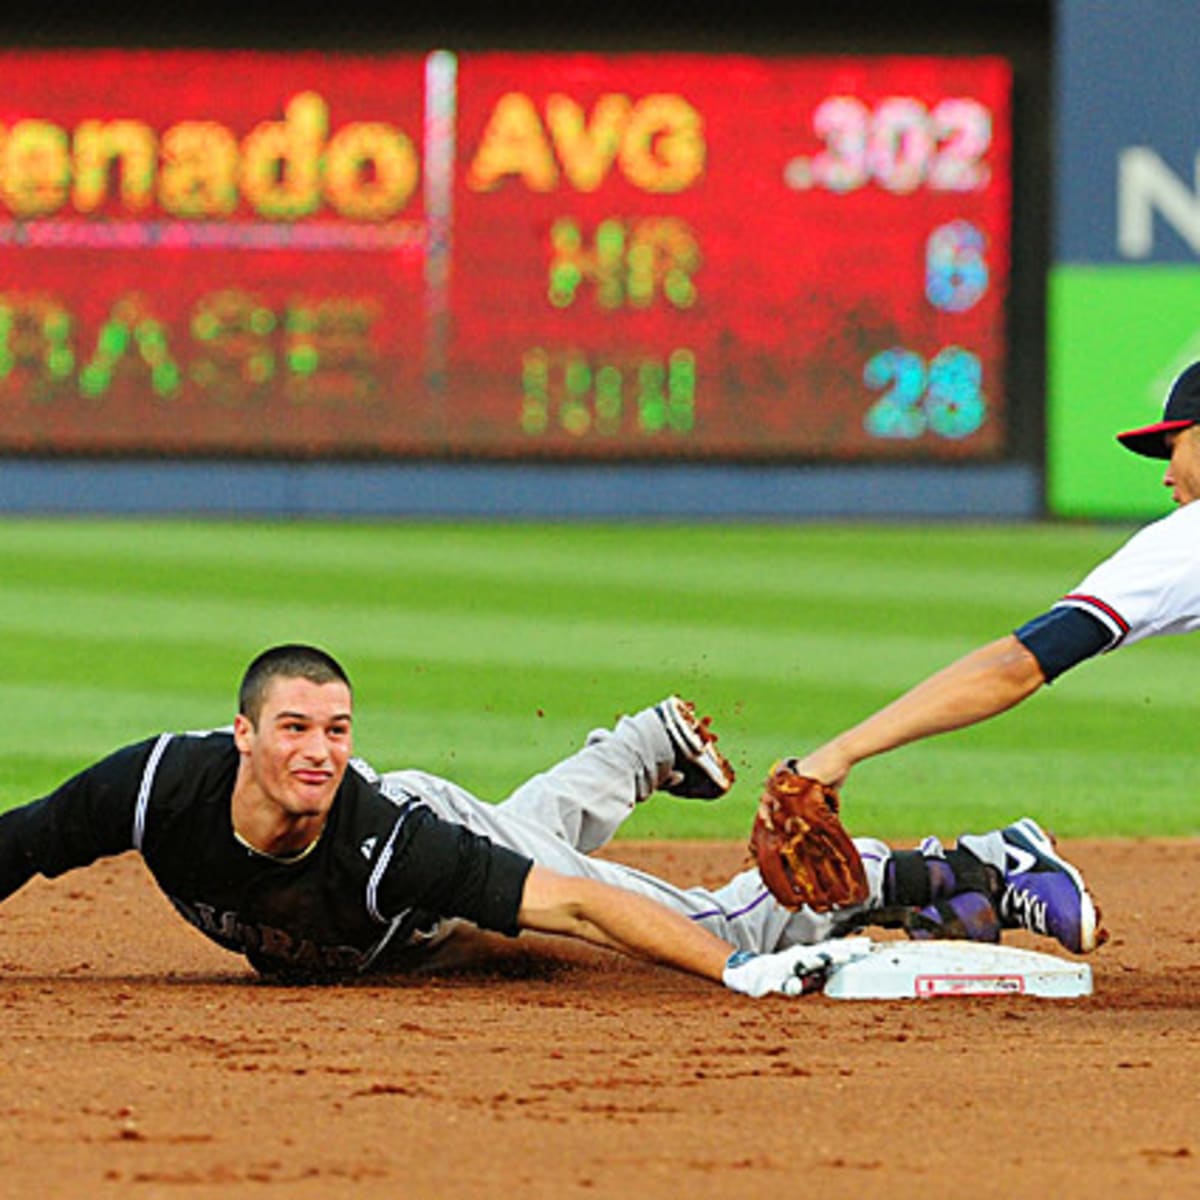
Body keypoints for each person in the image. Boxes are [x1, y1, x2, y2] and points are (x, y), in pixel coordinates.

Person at [0, 646, 1098, 1004]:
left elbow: (571, 902)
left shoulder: (386, 838)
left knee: (726, 921)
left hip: (430, 869)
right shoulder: (153, 790)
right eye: (292, 728)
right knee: (530, 835)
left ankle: (966, 864)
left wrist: (730, 971)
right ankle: (640, 747)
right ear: (240, 735)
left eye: (336, 729)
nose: (318, 751)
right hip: (432, 887)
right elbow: (27, 838)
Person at [790, 361, 1200, 952]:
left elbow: (1018, 665)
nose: (1167, 476)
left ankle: (989, 867)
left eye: (1174, 447)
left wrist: (841, 750)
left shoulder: (1187, 537)